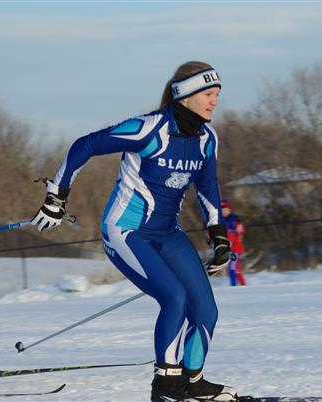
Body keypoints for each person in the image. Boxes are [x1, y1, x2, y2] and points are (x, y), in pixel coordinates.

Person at [32, 61, 237, 402]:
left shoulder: (206, 140)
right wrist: (58, 195)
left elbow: (208, 188)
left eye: (217, 95)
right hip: (126, 232)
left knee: (206, 309)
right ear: (184, 95)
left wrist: (218, 238)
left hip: (168, 232)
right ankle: (167, 388)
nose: (214, 101)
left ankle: (194, 382)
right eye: (208, 94)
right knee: (175, 297)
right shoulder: (148, 129)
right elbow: (85, 145)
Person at [220, 200, 246, 286]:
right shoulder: (219, 220)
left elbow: (241, 230)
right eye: (222, 210)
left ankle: (235, 286)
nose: (224, 212)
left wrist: (238, 229)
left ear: (229, 210)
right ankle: (241, 286)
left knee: (232, 268)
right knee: (232, 269)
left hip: (235, 248)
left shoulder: (235, 219)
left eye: (226, 210)